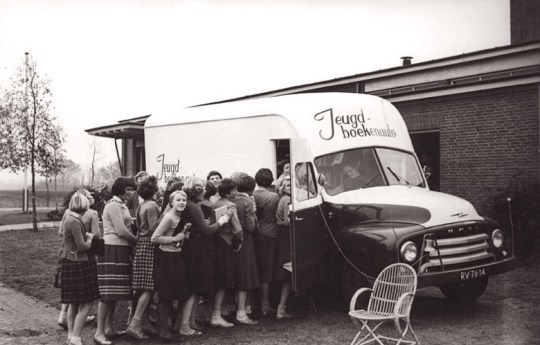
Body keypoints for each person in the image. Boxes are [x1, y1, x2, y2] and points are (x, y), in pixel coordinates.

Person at [174, 177, 232, 335]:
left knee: (193, 286)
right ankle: (185, 325)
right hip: (196, 248)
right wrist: (222, 221)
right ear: (197, 191)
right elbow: (207, 231)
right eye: (204, 189)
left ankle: (187, 321)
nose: (206, 192)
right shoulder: (195, 207)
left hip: (190, 246)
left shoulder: (190, 206)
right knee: (193, 286)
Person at [94, 177, 138, 345]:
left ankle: (108, 328)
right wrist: (137, 240)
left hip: (120, 249)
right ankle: (99, 332)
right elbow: (120, 230)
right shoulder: (112, 205)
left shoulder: (121, 205)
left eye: (132, 190)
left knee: (113, 293)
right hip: (112, 249)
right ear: (120, 189)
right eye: (128, 189)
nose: (131, 192)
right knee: (107, 293)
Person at [60, 193, 100, 345]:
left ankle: (71, 335)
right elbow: (82, 246)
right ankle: (76, 336)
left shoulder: (68, 217)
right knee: (87, 301)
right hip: (79, 263)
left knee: (74, 301)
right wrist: (89, 239)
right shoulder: (75, 221)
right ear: (85, 206)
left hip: (69, 261)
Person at [151, 190, 191, 341]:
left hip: (177, 256)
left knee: (177, 293)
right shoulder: (168, 217)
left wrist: (184, 235)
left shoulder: (181, 217)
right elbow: (155, 238)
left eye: (184, 200)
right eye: (178, 200)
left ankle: (170, 328)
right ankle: (164, 332)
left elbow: (180, 238)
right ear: (171, 202)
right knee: (166, 295)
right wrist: (174, 239)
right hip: (167, 258)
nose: (182, 202)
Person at [126, 176, 160, 339]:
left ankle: (139, 322)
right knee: (149, 286)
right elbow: (155, 229)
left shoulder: (142, 205)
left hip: (141, 244)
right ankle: (136, 323)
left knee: (141, 287)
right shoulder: (152, 205)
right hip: (150, 245)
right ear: (154, 190)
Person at [211, 178, 244, 328]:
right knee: (223, 280)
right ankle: (216, 314)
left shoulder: (216, 203)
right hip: (228, 241)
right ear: (229, 192)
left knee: (220, 278)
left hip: (217, 241)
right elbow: (237, 228)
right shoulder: (231, 205)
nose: (236, 193)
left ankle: (221, 311)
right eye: (235, 190)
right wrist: (240, 242)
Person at [231, 172, 259, 325]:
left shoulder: (230, 199)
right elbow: (251, 226)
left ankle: (240, 308)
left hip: (232, 240)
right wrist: (254, 213)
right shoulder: (247, 202)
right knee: (245, 275)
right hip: (246, 239)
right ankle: (242, 312)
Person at [253, 168, 280, 316]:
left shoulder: (252, 195)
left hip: (255, 233)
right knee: (267, 270)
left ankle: (252, 303)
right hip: (270, 234)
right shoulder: (274, 196)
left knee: (255, 268)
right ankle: (265, 304)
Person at [274, 177, 293, 320]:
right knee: (287, 271)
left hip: (281, 236)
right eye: (287, 184)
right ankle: (281, 309)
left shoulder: (283, 199)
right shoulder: (287, 200)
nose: (290, 186)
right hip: (285, 236)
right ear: (281, 187)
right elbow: (287, 221)